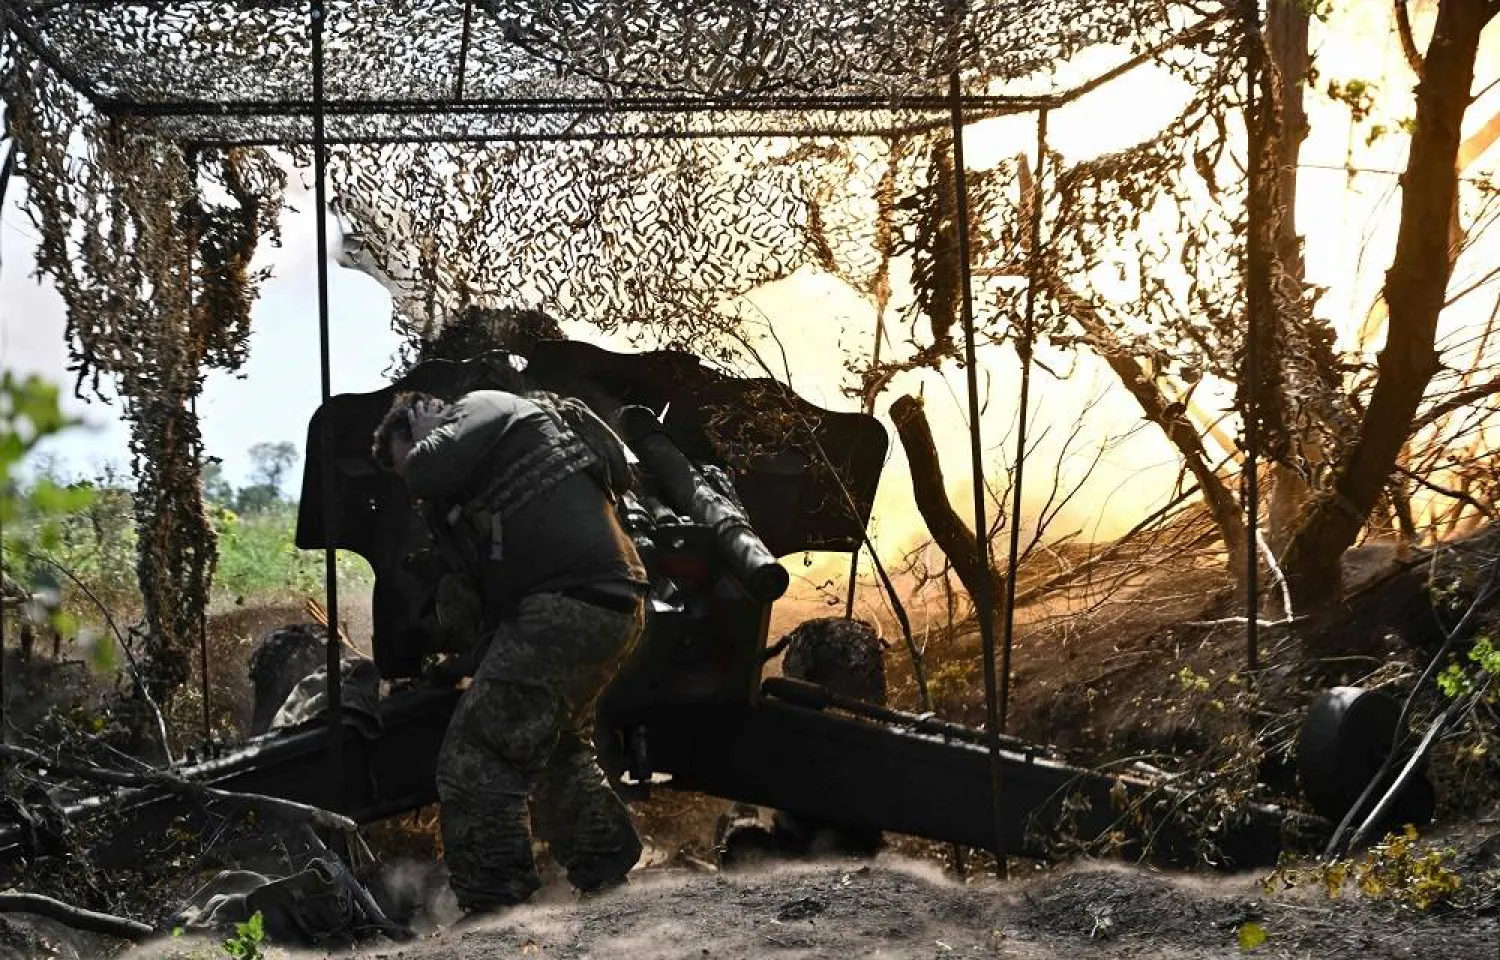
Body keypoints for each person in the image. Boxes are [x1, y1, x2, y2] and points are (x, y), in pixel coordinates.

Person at [371, 387, 648, 917]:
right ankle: (605, 872)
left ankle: (494, 906)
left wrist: (428, 441)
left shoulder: (483, 405)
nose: (409, 485)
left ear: (418, 421)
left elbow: (426, 470)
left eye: (401, 462)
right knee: (554, 747)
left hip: (568, 604)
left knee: (476, 753)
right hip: (601, 604)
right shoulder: (486, 455)